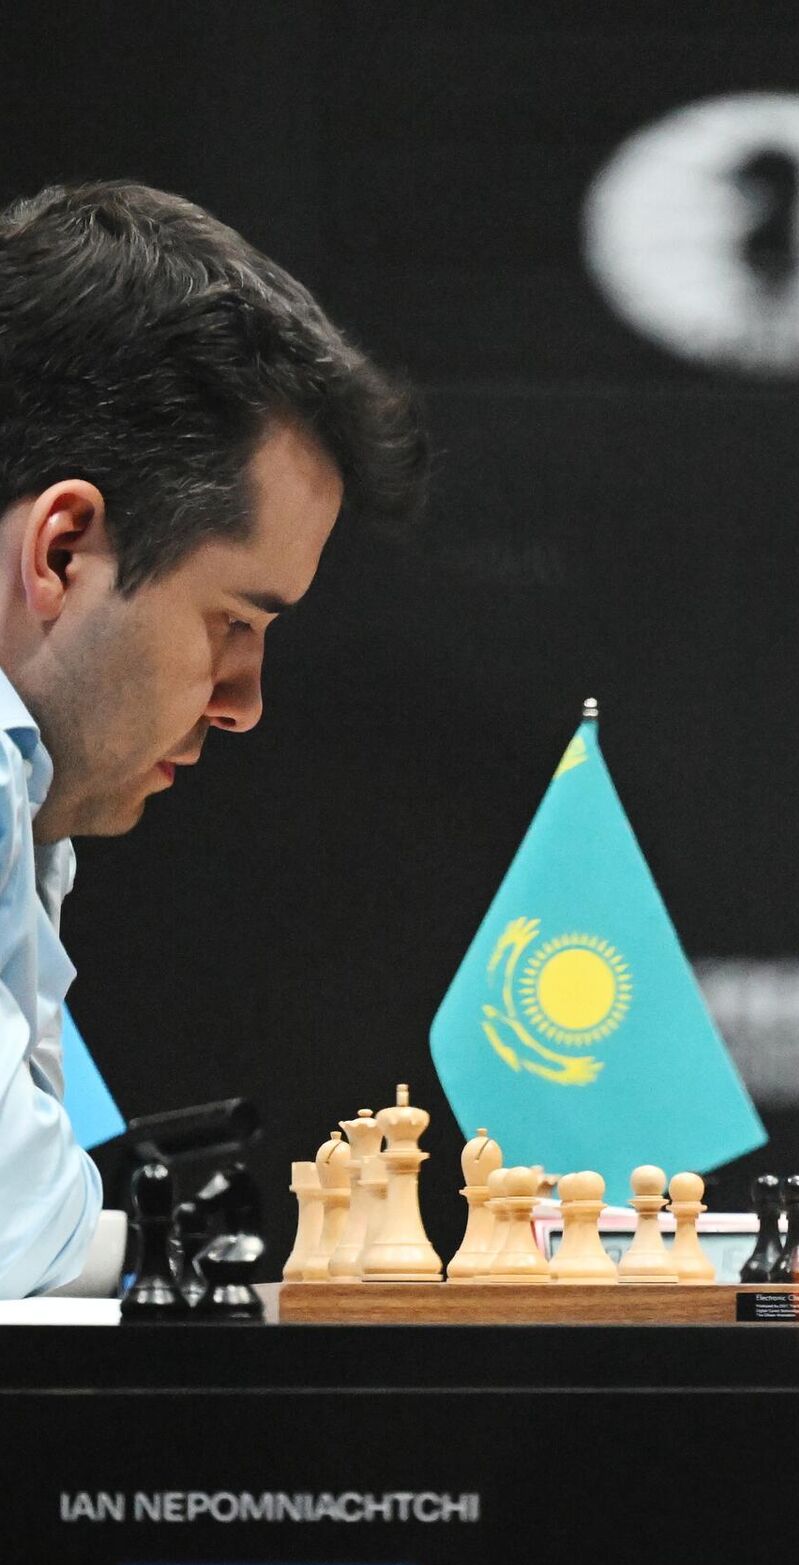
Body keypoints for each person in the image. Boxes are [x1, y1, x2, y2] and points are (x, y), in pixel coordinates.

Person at [0, 181, 428, 1295]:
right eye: (231, 622)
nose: (243, 701)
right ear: (62, 551)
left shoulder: (26, 797)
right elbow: (17, 1239)